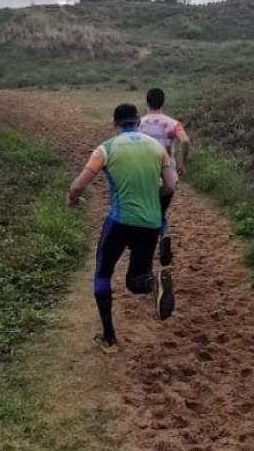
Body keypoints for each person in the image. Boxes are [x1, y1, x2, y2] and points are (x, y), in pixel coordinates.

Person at [69, 103, 177, 354]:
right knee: (135, 281)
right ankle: (154, 284)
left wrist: (72, 199)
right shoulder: (157, 147)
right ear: (138, 122)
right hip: (150, 223)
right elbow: (171, 185)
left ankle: (108, 337)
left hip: (119, 221)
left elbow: (78, 186)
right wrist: (152, 196)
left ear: (115, 124)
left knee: (102, 274)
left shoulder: (106, 148)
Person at [136, 88, 191, 266]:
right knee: (160, 211)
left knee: (146, 212)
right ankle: (164, 234)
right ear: (163, 102)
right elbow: (185, 140)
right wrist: (182, 163)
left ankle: (150, 244)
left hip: (145, 174)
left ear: (147, 102)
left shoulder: (139, 124)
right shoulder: (172, 123)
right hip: (168, 174)